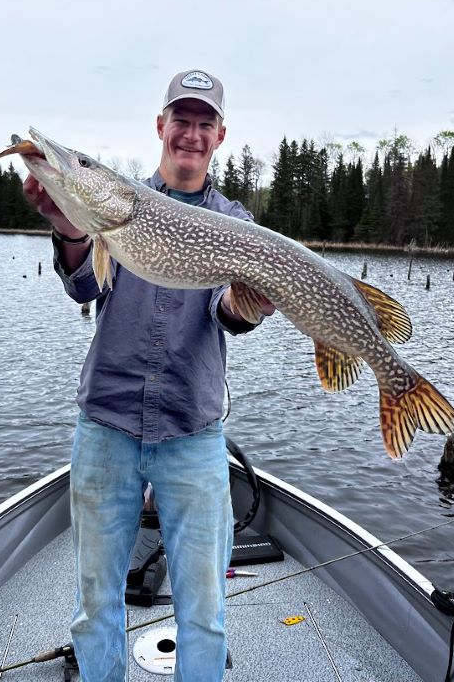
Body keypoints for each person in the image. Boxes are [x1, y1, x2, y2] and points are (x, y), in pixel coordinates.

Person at [24, 69, 274, 682]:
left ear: (219, 137)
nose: (190, 133)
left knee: (205, 612)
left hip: (191, 433)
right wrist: (68, 227)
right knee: (94, 607)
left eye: (203, 122)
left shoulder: (234, 222)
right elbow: (83, 284)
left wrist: (250, 302)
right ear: (160, 126)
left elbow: (226, 313)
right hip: (105, 426)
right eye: (180, 119)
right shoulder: (117, 205)